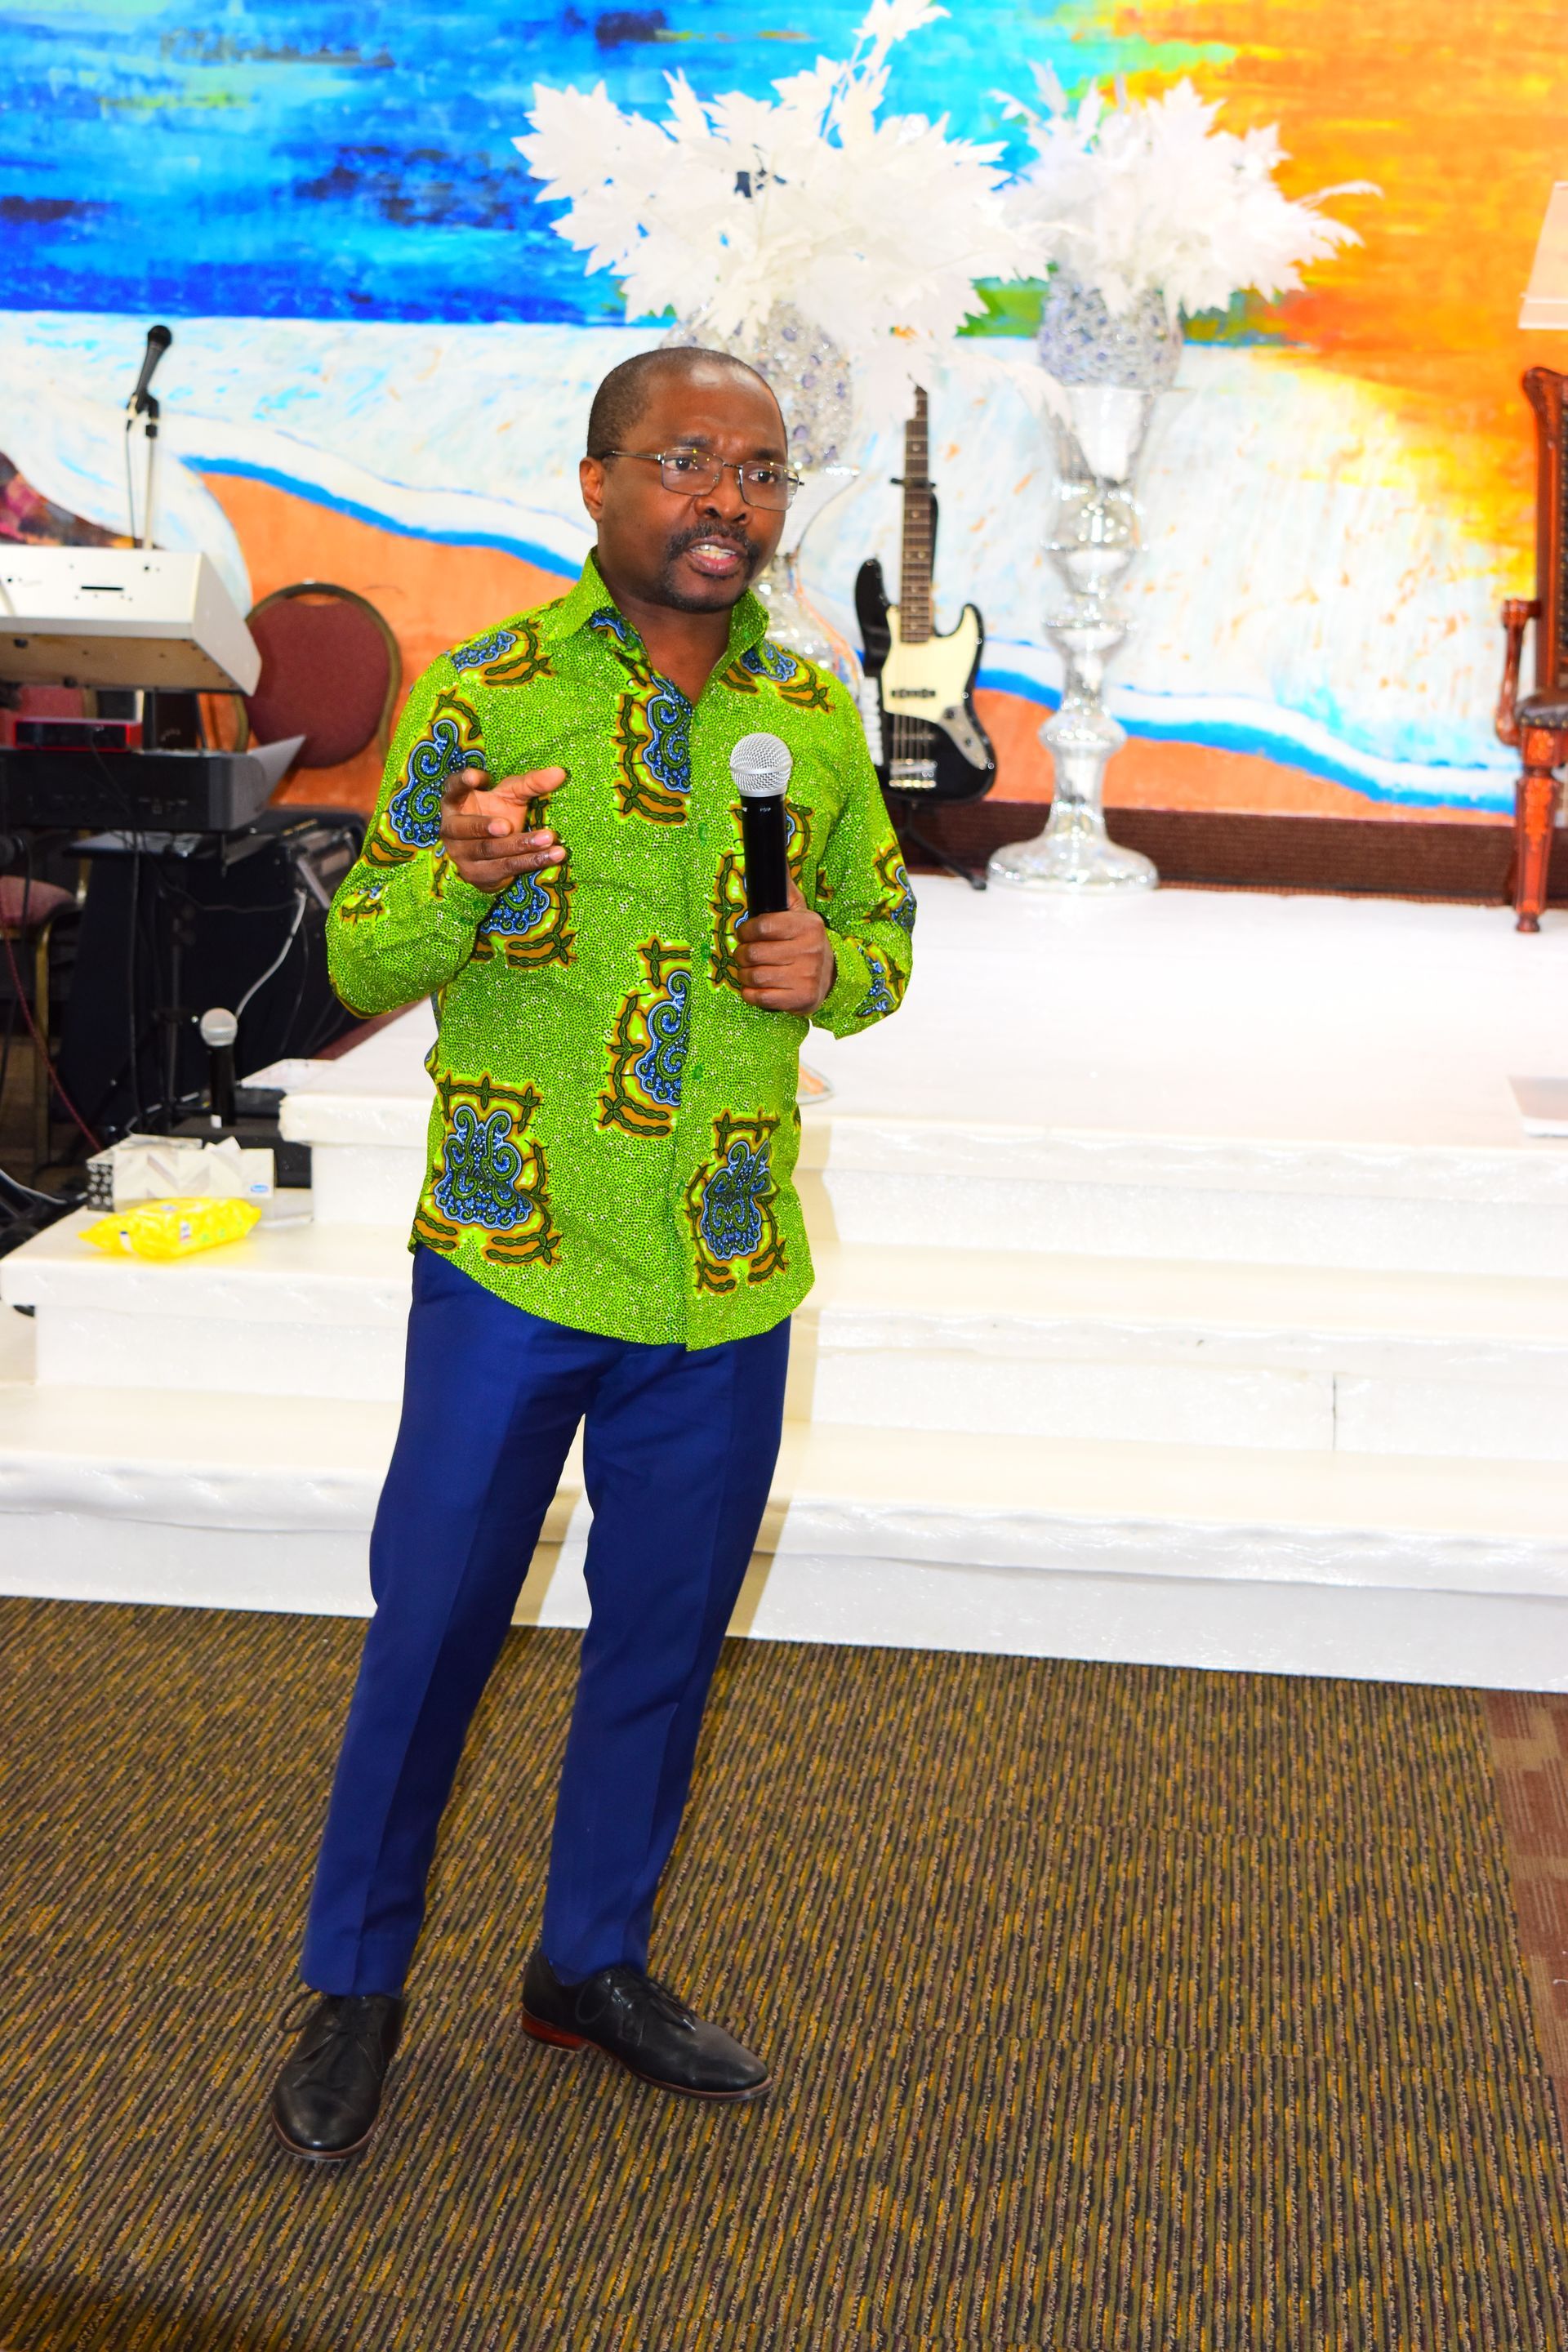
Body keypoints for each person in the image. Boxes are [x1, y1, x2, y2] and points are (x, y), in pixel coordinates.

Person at [268, 346, 916, 2163]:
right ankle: (357, 1988)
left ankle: (590, 1964)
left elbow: (879, 941)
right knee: (434, 1634)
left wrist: (837, 971)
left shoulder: (811, 714)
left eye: (762, 472)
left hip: (722, 1265)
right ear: (598, 481)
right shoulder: (491, 694)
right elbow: (361, 957)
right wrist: (462, 875)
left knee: (664, 1638)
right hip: (517, 1254)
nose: (729, 501)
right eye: (689, 460)